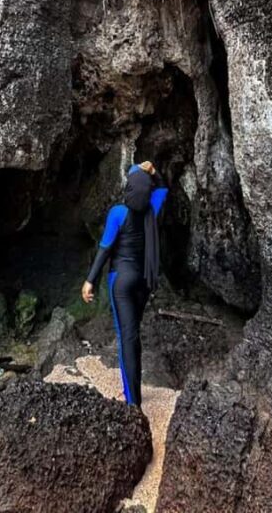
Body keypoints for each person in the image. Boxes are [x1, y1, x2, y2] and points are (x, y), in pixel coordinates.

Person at [81, 160, 168, 407]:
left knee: (127, 339)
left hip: (121, 280)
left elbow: (105, 249)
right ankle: (134, 394)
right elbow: (162, 187)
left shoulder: (118, 213)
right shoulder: (153, 208)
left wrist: (90, 281)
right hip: (143, 281)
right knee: (134, 336)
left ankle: (132, 403)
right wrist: (153, 172)